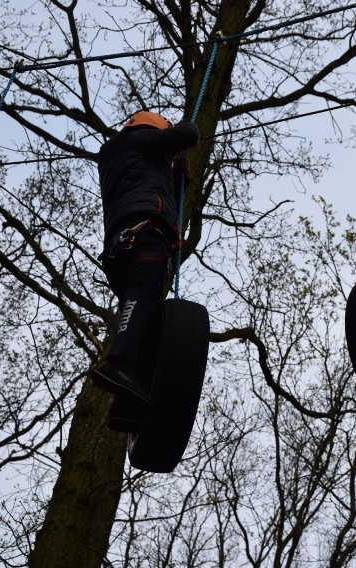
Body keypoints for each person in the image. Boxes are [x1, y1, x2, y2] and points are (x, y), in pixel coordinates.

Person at [92, 110, 200, 432]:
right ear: (152, 128)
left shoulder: (123, 155)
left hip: (122, 243)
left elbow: (147, 178)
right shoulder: (136, 139)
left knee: (146, 318)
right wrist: (184, 133)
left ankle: (126, 405)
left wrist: (174, 173)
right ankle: (119, 364)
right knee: (145, 298)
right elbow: (187, 136)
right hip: (143, 235)